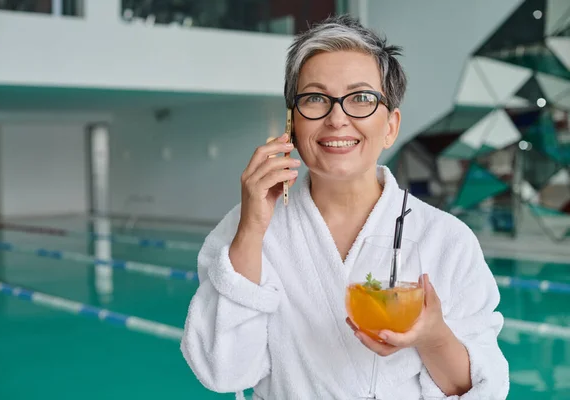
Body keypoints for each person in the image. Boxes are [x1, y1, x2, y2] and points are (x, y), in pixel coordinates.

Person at [180, 15, 509, 400]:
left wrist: (434, 336)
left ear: (390, 126)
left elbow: (484, 392)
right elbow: (223, 373)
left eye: (361, 99)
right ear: (292, 123)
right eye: (315, 98)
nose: (337, 119)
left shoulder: (447, 240)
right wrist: (251, 232)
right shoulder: (245, 229)